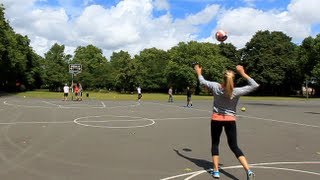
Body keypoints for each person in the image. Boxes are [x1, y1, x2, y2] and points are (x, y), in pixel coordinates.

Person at [194, 64, 259, 179]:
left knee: (215, 144)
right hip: (230, 120)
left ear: (223, 79)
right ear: (233, 80)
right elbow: (254, 85)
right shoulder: (236, 91)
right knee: (234, 146)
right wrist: (242, 72)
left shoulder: (216, 87)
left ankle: (216, 171)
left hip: (216, 119)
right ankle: (248, 171)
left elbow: (202, 81)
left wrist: (198, 72)